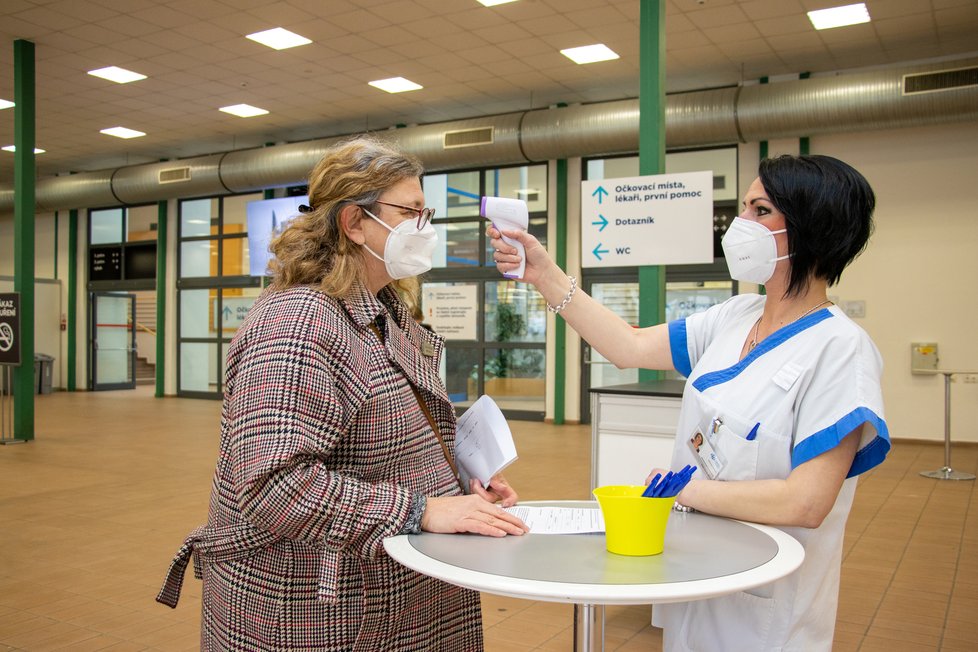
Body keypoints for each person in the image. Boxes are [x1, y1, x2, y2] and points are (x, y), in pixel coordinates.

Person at [489, 154, 890, 651]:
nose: (740, 223)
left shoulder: (840, 351)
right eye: (743, 207)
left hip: (766, 601)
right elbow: (629, 346)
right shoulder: (736, 316)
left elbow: (805, 502)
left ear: (809, 226)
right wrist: (545, 273)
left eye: (760, 210)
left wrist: (682, 493)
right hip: (695, 573)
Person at [157, 136, 528, 651]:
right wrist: (420, 510)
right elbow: (272, 487)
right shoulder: (297, 321)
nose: (426, 229)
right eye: (412, 212)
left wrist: (463, 485)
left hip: (383, 590)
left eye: (427, 213)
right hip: (312, 608)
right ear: (354, 222)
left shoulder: (384, 309)